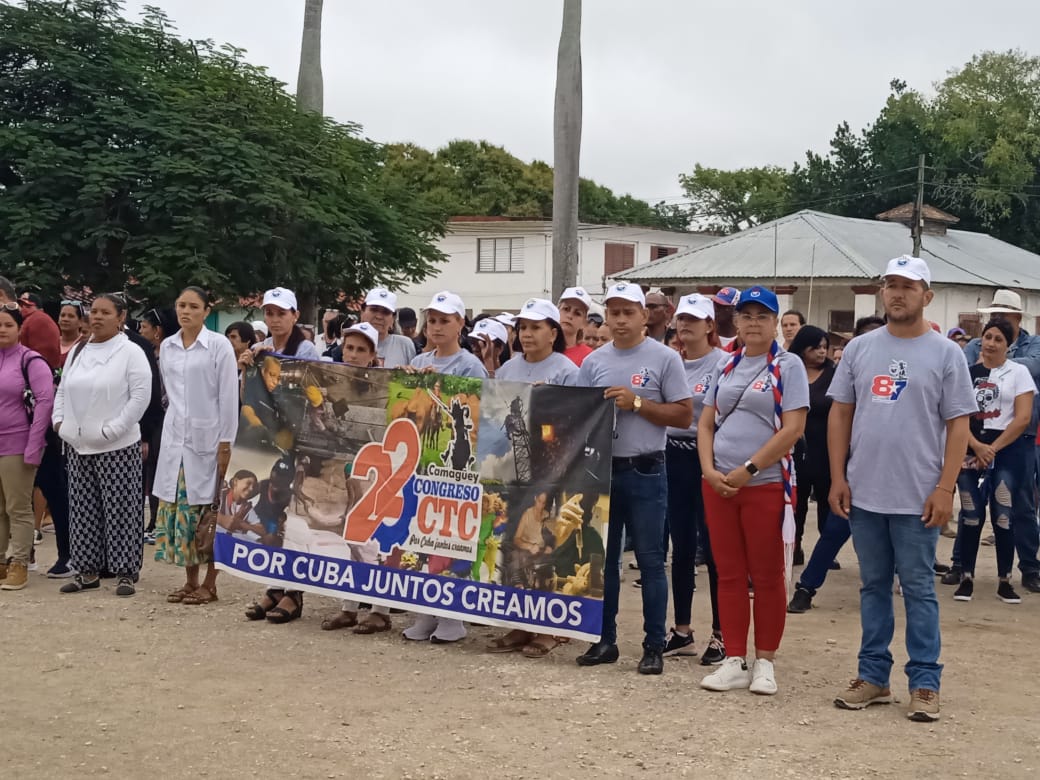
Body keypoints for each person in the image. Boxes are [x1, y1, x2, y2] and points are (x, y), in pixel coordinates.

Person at [830, 255, 976, 723]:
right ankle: (873, 677)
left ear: (926, 296)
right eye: (890, 285)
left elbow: (958, 425)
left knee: (918, 589)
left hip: (918, 495)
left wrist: (945, 488)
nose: (896, 293)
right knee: (873, 586)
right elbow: (840, 414)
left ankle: (925, 683)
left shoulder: (946, 353)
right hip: (865, 491)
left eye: (907, 286)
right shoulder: (860, 348)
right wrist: (838, 476)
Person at [575, 282, 693, 676]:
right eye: (614, 312)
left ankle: (653, 644)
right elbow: (576, 414)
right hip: (603, 470)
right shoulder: (594, 361)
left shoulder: (664, 359)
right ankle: (603, 640)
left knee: (650, 561)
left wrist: (638, 403)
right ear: (605, 316)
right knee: (603, 562)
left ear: (646, 316)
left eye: (629, 312)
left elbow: (683, 415)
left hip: (646, 468)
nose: (621, 320)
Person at [697, 286, 809, 696]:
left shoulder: (788, 365)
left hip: (763, 483)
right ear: (737, 321)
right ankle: (733, 658)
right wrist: (709, 469)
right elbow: (706, 422)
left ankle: (765, 660)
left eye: (762, 316)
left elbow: (793, 428)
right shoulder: (726, 366)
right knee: (727, 573)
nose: (754, 323)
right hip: (720, 485)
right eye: (747, 316)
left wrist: (748, 468)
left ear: (776, 322)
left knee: (766, 575)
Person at [485, 299, 579, 657]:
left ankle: (549, 627)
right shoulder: (508, 369)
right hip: (513, 469)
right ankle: (520, 623)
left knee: (544, 545)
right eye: (522, 327)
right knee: (513, 545)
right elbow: (496, 420)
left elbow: (577, 423)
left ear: (553, 333)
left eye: (536, 327)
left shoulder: (567, 371)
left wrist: (548, 405)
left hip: (551, 471)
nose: (526, 333)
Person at [52, 293, 152, 597]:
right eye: (93, 311)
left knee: (121, 509)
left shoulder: (130, 352)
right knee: (82, 509)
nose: (96, 317)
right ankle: (87, 570)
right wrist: (60, 423)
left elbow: (139, 397)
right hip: (77, 443)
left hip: (117, 445)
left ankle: (124, 572)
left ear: (120, 317)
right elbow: (63, 390)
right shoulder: (79, 350)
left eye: (104, 312)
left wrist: (114, 430)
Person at [402, 292, 487, 644]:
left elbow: (478, 408)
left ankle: (453, 617)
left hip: (456, 464)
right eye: (432, 320)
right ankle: (424, 613)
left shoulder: (470, 365)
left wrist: (439, 388)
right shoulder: (420, 358)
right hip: (423, 461)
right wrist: (408, 381)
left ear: (460, 324)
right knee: (422, 535)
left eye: (445, 320)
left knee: (451, 539)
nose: (437, 327)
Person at [153, 287, 240, 606]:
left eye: (193, 306)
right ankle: (190, 581)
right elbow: (171, 396)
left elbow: (229, 398)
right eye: (180, 305)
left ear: (206, 311)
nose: (185, 311)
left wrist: (226, 443)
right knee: (181, 511)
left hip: (209, 438)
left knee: (208, 513)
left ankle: (211, 582)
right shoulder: (169, 347)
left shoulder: (218, 346)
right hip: (175, 440)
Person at [240, 287, 321, 623]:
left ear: (294, 315)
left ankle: (294, 593)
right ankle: (274, 585)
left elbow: (315, 395)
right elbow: (249, 398)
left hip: (298, 444)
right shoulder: (260, 350)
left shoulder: (307, 350)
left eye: (281, 313)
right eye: (269, 313)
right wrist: (245, 367)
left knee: (294, 516)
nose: (274, 319)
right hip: (270, 443)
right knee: (271, 509)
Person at [660, 294, 727, 662]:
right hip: (672, 457)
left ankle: (723, 633)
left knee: (715, 548)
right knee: (681, 547)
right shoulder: (671, 362)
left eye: (694, 320)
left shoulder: (723, 363)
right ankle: (682, 630)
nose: (685, 326)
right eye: (681, 319)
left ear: (710, 326)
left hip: (709, 458)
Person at [960, 289, 1040, 593]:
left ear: (1017, 319)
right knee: (970, 510)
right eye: (991, 324)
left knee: (1012, 508)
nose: (991, 340)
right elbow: (963, 376)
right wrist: (976, 445)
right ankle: (962, 570)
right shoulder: (973, 358)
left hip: (1016, 440)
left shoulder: (1032, 351)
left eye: (1003, 318)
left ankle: (1024, 570)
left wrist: (992, 448)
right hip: (973, 439)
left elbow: (1030, 379)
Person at [321, 322, 396, 635]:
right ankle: (349, 606)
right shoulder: (332, 381)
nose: (352, 354)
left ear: (373, 355)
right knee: (348, 536)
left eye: (360, 349)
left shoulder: (385, 385)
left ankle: (380, 608)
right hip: (343, 466)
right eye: (349, 347)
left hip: (375, 468)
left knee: (369, 537)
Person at [0, 304, 54, 590]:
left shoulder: (30, 360)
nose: (2, 330)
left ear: (19, 328)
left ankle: (19, 563)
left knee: (17, 507)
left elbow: (45, 402)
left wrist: (34, 446)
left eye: (7, 324)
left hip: (18, 444)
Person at [786, 325, 835, 565]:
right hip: (796, 449)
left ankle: (826, 553)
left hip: (826, 448)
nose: (821, 352)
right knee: (798, 504)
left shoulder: (834, 374)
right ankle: (794, 546)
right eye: (815, 347)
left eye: (825, 347)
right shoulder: (789, 370)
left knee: (827, 503)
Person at [361, 288, 416, 369]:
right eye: (374, 309)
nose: (379, 316)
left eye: (386, 312)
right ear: (362, 312)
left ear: (393, 319)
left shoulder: (405, 345)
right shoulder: (350, 343)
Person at [13, 291, 60, 369]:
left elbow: (43, 353)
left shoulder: (38, 319)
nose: (20, 307)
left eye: (25, 303)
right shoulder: (33, 319)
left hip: (37, 370)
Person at [557, 287, 594, 367]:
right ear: (557, 311)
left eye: (577, 313)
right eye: (566, 309)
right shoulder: (543, 349)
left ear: (584, 322)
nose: (570, 316)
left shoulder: (589, 357)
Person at [57, 300, 88, 368]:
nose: (65, 319)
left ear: (81, 322)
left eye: (71, 316)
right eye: (62, 315)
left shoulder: (86, 346)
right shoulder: (52, 342)